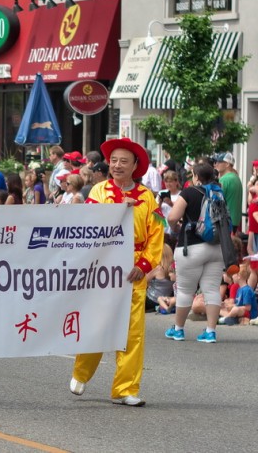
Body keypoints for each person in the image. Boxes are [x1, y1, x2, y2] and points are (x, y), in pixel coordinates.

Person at [69, 137, 163, 407]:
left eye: (124, 161)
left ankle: (125, 388)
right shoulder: (98, 191)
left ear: (135, 166)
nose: (117, 165)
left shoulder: (148, 198)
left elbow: (156, 236)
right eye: (114, 161)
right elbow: (87, 226)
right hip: (103, 266)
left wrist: (143, 265)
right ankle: (81, 371)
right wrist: (117, 210)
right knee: (98, 322)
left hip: (134, 269)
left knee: (132, 331)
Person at [165, 162, 225, 343]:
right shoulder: (219, 193)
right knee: (212, 289)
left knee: (184, 290)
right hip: (216, 247)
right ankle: (210, 331)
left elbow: (172, 217)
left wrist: (175, 226)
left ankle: (178, 329)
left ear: (196, 176)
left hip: (191, 247)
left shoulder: (189, 192)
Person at [214, 152, 242, 232]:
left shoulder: (225, 179)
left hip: (226, 221)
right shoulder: (236, 177)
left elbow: (216, 200)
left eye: (219, 162)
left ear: (227, 164)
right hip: (234, 220)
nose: (216, 164)